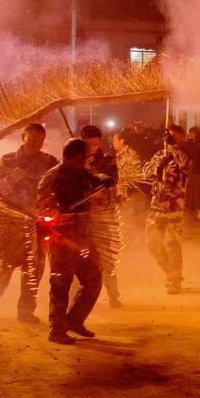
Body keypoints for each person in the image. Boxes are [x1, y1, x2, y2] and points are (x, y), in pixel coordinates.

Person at [37, 138, 112, 344]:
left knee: (93, 279)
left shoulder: (83, 173)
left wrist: (105, 179)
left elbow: (96, 180)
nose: (90, 158)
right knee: (61, 283)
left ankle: (75, 320)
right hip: (62, 240)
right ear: (78, 157)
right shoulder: (52, 177)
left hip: (84, 237)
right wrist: (54, 213)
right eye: (87, 155)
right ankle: (56, 329)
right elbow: (41, 210)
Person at [0, 123, 58, 323]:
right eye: (32, 139)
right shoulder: (7, 160)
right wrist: (12, 179)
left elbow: (58, 188)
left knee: (34, 270)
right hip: (10, 222)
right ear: (23, 138)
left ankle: (25, 311)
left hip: (37, 223)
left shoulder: (50, 162)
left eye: (40, 140)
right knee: (5, 266)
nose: (36, 143)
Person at [144, 124, 191, 294]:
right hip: (156, 206)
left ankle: (174, 281)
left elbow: (185, 166)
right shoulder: (160, 154)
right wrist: (158, 166)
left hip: (174, 207)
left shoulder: (184, 154)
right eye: (168, 136)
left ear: (182, 138)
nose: (170, 139)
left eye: (174, 136)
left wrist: (174, 148)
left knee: (172, 243)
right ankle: (170, 273)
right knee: (152, 243)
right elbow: (146, 171)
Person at [80, 125, 123, 308]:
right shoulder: (71, 160)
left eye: (96, 144)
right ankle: (76, 297)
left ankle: (113, 295)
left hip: (103, 216)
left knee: (106, 257)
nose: (93, 148)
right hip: (81, 217)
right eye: (89, 144)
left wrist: (92, 171)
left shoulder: (107, 159)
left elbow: (111, 181)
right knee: (79, 258)